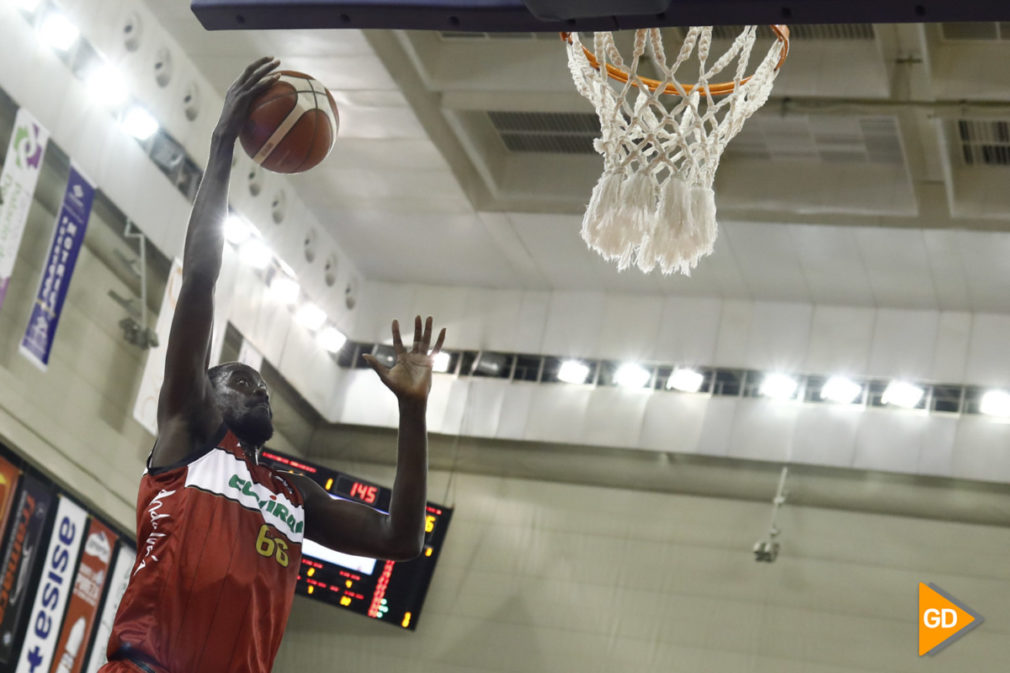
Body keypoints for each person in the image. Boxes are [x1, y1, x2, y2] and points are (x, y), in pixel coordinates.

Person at [98, 57, 446, 673]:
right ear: (201, 394)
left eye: (260, 384)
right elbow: (201, 279)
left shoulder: (297, 497)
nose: (259, 390)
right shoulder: (189, 436)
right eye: (240, 380)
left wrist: (412, 414)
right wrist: (223, 141)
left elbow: (404, 539)